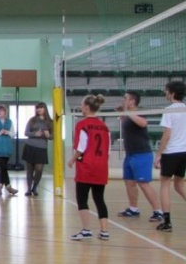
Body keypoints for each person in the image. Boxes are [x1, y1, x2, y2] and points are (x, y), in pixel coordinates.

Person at [68, 94, 111, 241]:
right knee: (99, 199)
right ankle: (104, 231)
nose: (80, 107)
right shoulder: (105, 127)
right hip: (101, 167)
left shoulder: (82, 125)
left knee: (82, 199)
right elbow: (108, 150)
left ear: (86, 107)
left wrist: (73, 159)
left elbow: (81, 148)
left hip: (87, 166)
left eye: (81, 105)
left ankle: (86, 230)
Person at [115, 91, 162, 221]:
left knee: (143, 183)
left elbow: (143, 123)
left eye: (125, 98)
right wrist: (122, 113)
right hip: (130, 154)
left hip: (142, 154)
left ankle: (158, 211)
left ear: (132, 101)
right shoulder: (127, 114)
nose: (123, 100)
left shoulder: (139, 112)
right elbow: (126, 123)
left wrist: (127, 112)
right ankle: (133, 208)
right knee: (129, 182)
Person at [154, 80, 186, 232]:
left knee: (165, 185)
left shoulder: (169, 110)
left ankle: (167, 222)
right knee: (179, 184)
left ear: (172, 93)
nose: (165, 93)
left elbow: (166, 134)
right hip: (184, 151)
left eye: (166, 90)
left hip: (171, 151)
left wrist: (159, 154)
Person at [22, 102, 53, 196]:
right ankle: (28, 189)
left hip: (41, 147)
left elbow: (53, 136)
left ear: (45, 109)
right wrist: (35, 134)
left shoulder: (50, 122)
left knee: (39, 169)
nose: (39, 110)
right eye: (37, 108)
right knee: (30, 169)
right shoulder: (32, 120)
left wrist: (48, 135)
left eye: (41, 108)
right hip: (30, 146)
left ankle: (35, 187)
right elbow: (26, 133)